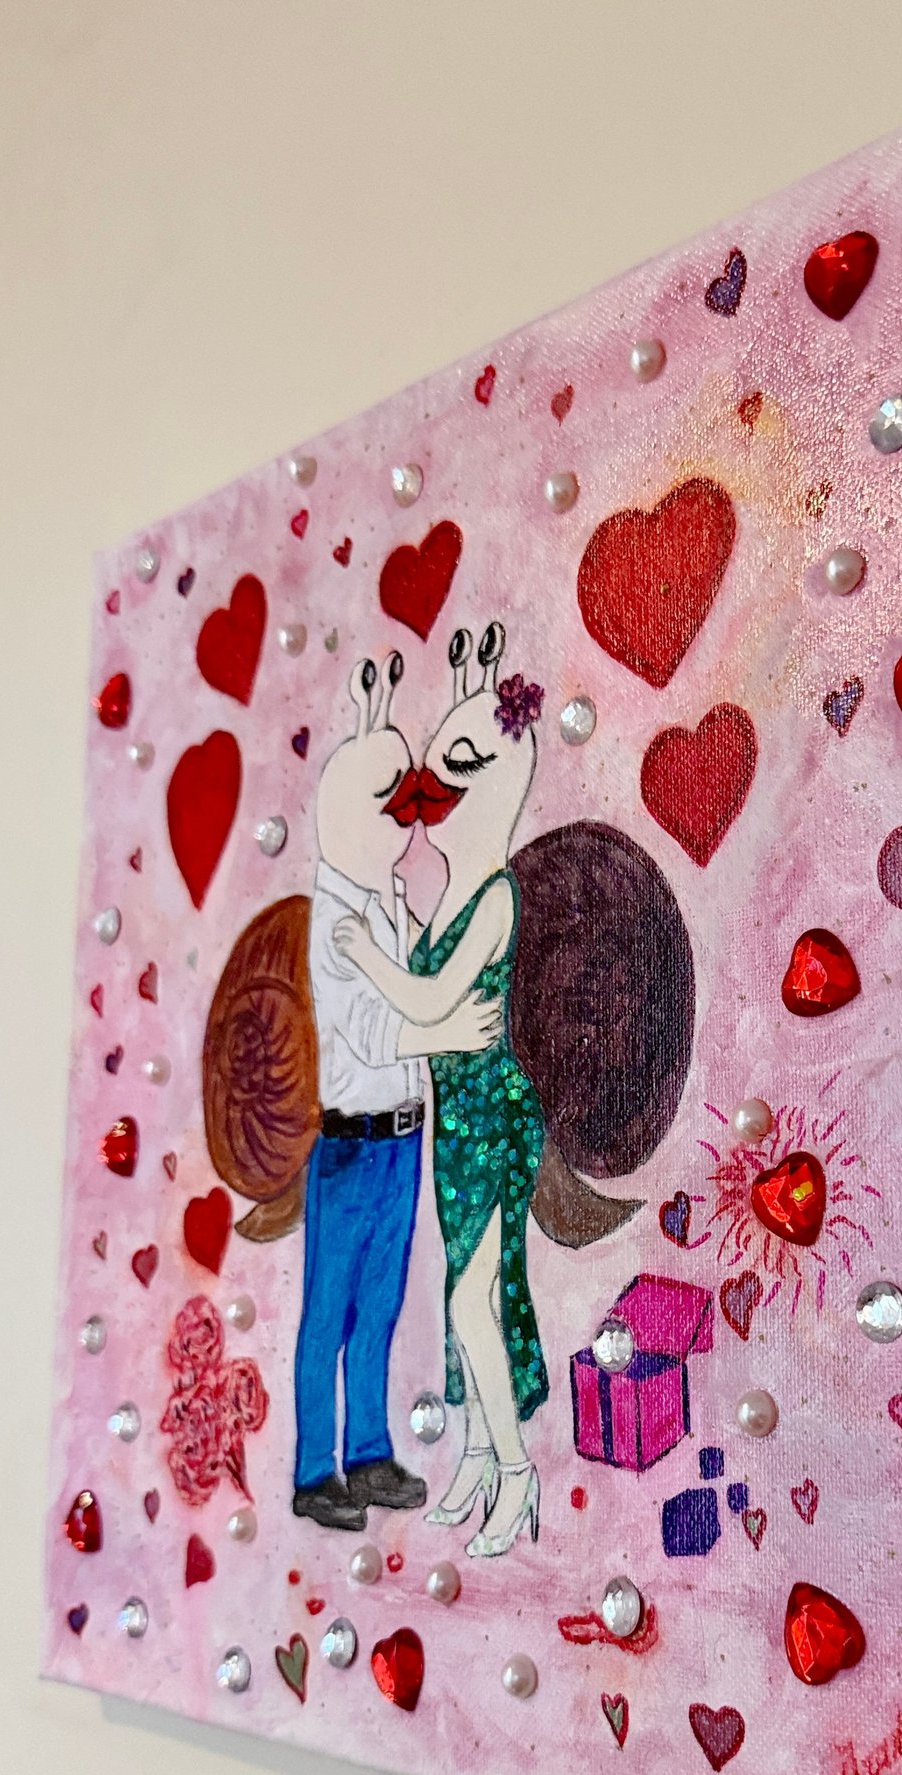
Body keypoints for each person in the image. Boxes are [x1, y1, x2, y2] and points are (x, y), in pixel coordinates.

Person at [334, 621, 547, 1558]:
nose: (434, 793)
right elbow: (429, 1020)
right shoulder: (447, 894)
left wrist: (364, 957)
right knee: (464, 1293)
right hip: (455, 1123)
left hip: (495, 1119)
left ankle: (517, 1473)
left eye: (457, 772)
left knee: (470, 1300)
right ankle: (475, 1451)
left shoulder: (493, 895)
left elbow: (428, 998)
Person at [292, 651, 503, 1532]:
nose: (407, 831)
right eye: (393, 815)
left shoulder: (383, 903)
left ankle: (370, 1451)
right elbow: (371, 1032)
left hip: (402, 1140)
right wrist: (445, 1034)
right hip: (350, 1144)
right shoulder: (336, 921)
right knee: (329, 1310)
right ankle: (315, 1469)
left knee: (380, 1300)